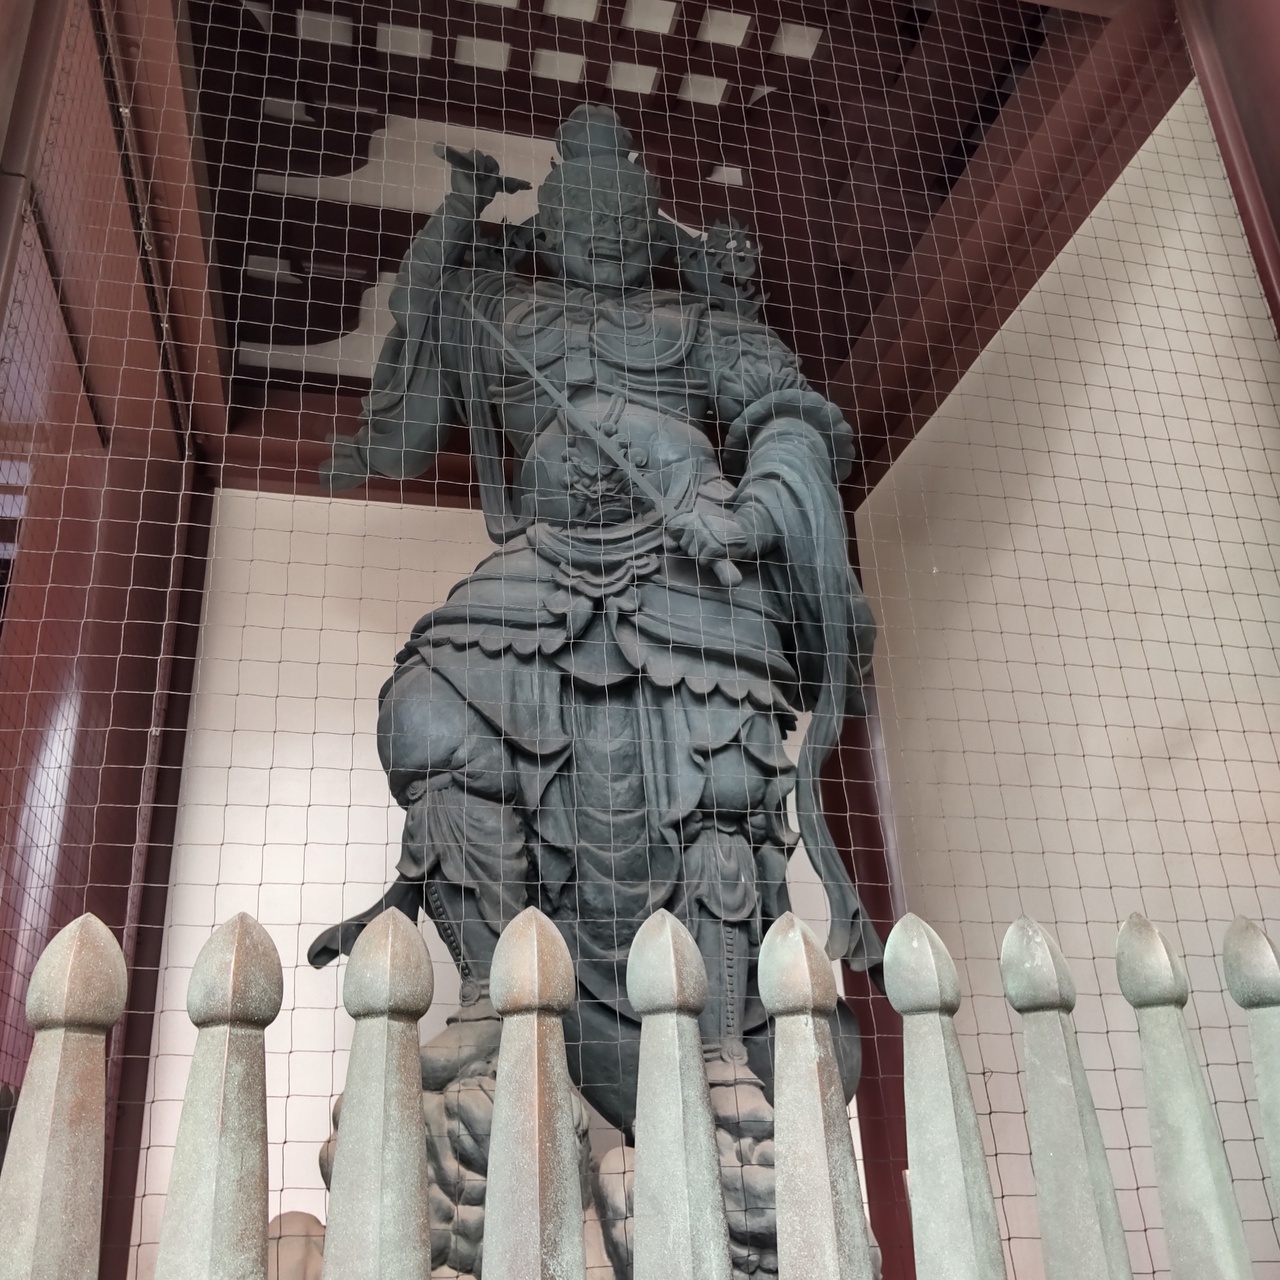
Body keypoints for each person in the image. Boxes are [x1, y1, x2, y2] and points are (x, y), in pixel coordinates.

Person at [311, 104, 880, 1132]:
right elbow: (409, 394)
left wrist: (753, 514)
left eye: (624, 227)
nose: (606, 246)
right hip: (543, 560)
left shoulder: (702, 327)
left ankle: (720, 1044)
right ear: (550, 227)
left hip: (689, 556)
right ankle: (493, 1003)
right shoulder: (500, 308)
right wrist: (455, 221)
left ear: (652, 227)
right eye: (584, 227)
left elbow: (793, 419)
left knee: (722, 774)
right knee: (429, 707)